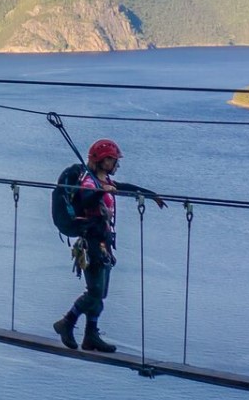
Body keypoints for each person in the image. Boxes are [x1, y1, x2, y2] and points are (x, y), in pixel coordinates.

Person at [53, 138, 165, 353]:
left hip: (104, 241)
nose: (116, 165)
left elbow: (125, 188)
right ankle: (67, 322)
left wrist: (151, 195)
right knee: (94, 291)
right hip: (91, 240)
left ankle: (90, 335)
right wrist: (101, 192)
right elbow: (86, 201)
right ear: (103, 161)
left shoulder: (103, 181)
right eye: (113, 160)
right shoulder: (88, 182)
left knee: (100, 293)